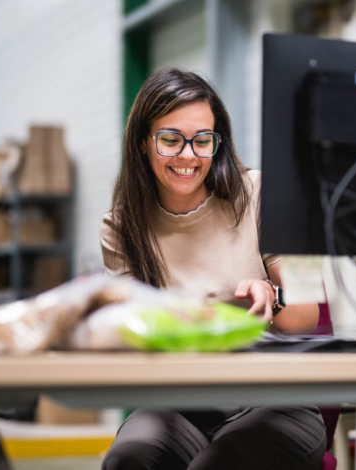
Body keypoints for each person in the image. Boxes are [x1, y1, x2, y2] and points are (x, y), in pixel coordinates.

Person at [99, 68, 326, 470]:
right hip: (179, 405)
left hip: (273, 398)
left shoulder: (263, 192)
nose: (188, 156)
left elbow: (309, 313)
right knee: (129, 460)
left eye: (203, 141)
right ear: (142, 144)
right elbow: (131, 338)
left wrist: (272, 296)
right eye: (170, 140)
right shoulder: (120, 227)